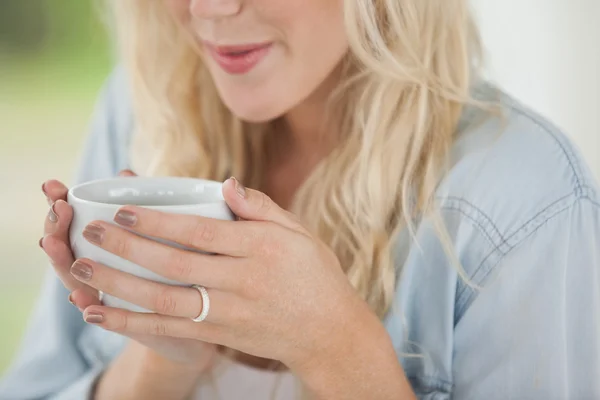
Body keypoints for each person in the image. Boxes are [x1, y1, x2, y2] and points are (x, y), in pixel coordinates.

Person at [1, 0, 599, 398]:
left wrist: (336, 347)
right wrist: (163, 361)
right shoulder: (141, 110)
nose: (209, 9)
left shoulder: (525, 207)